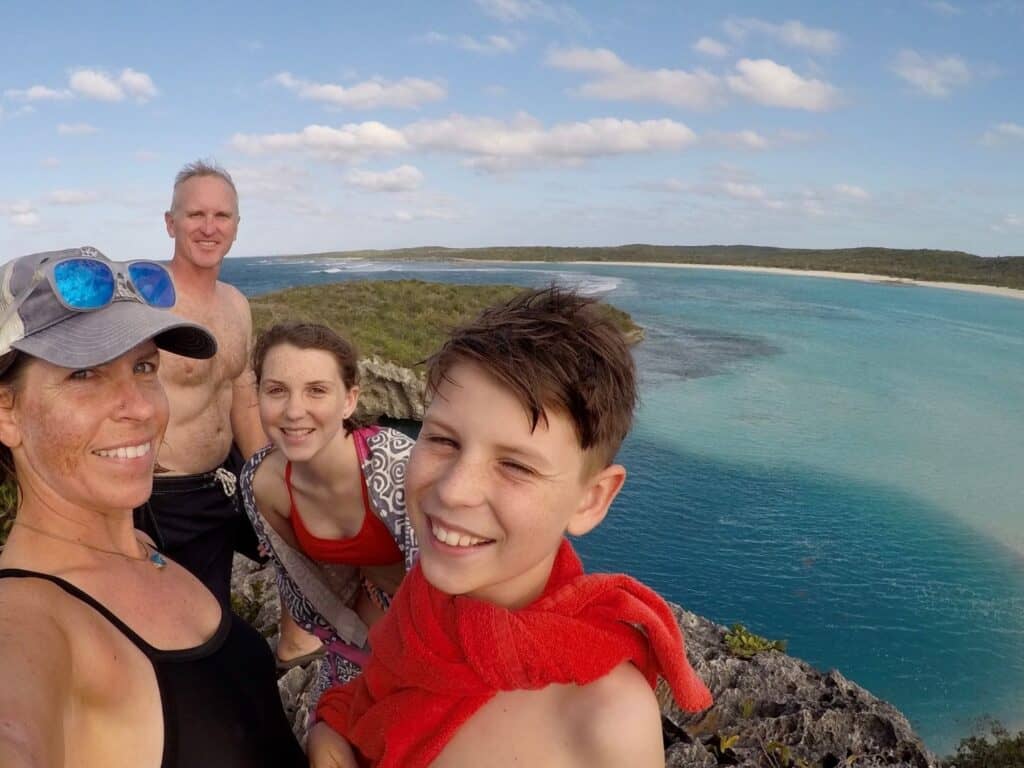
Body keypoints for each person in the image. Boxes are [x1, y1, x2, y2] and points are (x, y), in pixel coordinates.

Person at [309, 287, 714, 768]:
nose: (456, 490)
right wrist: (328, 735)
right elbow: (372, 702)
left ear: (591, 499)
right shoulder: (427, 604)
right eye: (441, 439)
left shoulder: (608, 720)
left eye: (516, 466)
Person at [0, 247, 306, 767]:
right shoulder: (28, 622)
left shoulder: (141, 546)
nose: (142, 406)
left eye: (144, 367)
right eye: (84, 375)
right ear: (6, 414)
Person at [239, 322, 417, 697]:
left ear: (350, 400)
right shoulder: (263, 483)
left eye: (317, 391)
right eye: (276, 391)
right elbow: (308, 584)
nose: (293, 411)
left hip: (445, 627)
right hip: (360, 626)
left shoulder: (397, 468)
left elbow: (459, 589)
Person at [133, 159, 266, 607]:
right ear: (171, 224)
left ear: (236, 226)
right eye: (196, 215)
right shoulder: (143, 299)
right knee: (159, 624)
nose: (209, 227)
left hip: (221, 486)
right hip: (157, 499)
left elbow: (242, 395)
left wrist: (266, 475)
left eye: (221, 216)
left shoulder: (237, 304)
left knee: (212, 613)